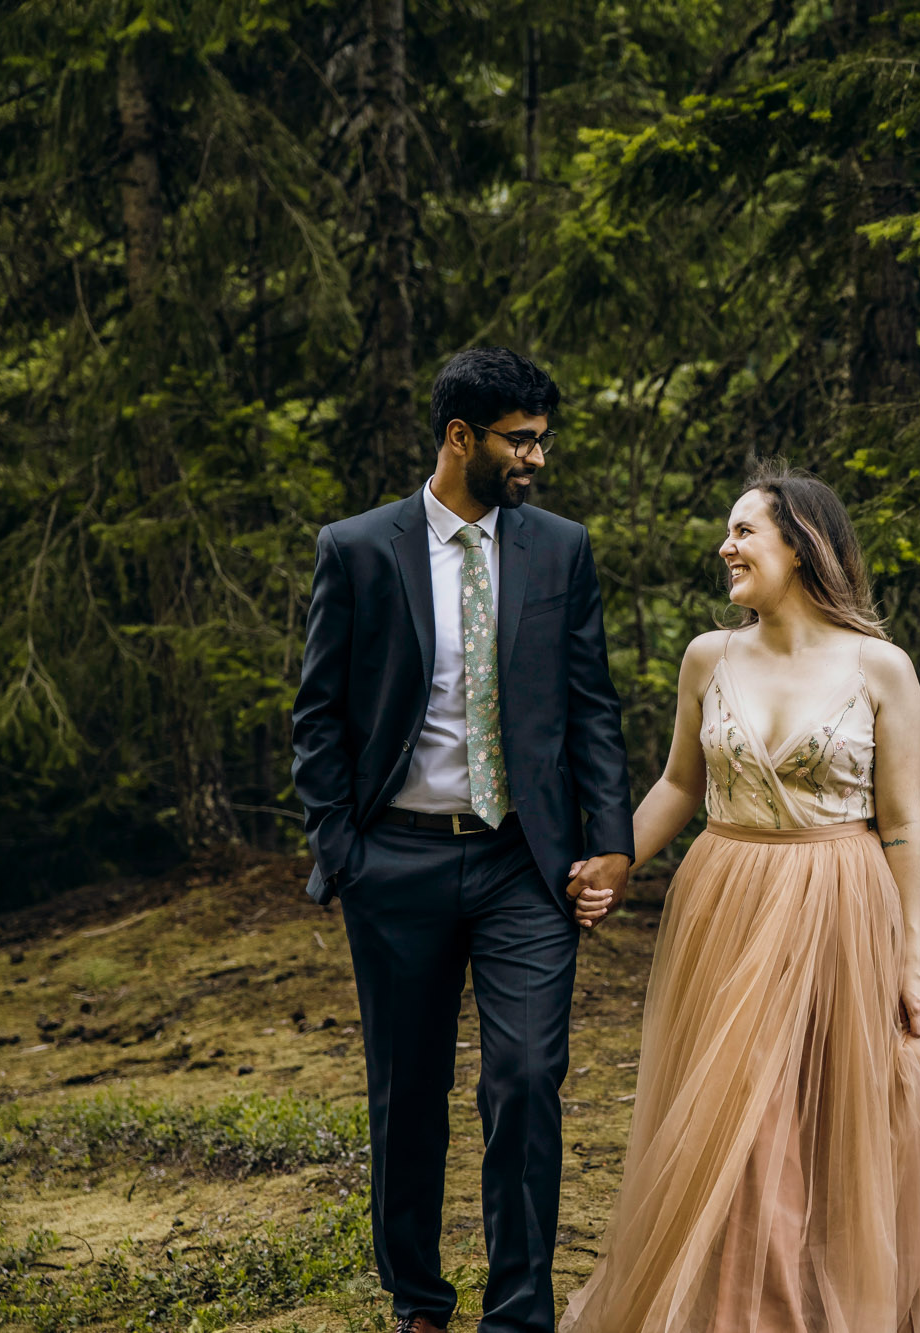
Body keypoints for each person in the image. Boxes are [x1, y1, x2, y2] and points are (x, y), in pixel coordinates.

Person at [557, 462, 920, 1333]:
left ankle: (831, 1308)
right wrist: (614, 859)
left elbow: (901, 823)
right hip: (728, 899)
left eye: (745, 530)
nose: (727, 545)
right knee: (739, 1124)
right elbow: (678, 783)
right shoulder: (709, 657)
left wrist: (912, 954)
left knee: (835, 1115)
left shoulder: (882, 669)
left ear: (803, 544)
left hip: (840, 900)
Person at [291, 346, 635, 1333]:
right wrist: (342, 850)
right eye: (518, 439)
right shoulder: (358, 547)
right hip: (392, 861)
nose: (535, 456)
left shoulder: (559, 548)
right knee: (408, 1091)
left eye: (539, 437)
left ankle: (518, 1313)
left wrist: (605, 843)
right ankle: (418, 1303)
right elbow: (316, 715)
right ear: (459, 437)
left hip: (522, 863)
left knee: (525, 1077)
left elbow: (590, 707)